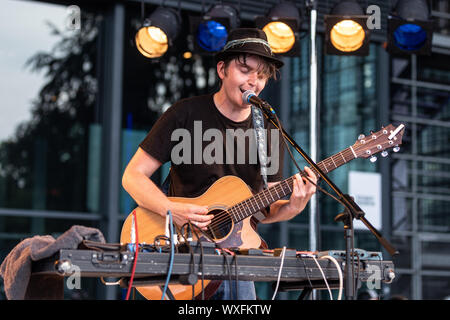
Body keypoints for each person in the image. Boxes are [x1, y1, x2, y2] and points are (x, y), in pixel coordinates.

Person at [122, 28, 317, 300]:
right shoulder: (185, 114)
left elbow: (265, 210)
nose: (254, 82)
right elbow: (132, 176)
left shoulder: (269, 129)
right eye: (245, 70)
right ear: (222, 69)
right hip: (178, 251)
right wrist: (170, 209)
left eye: (261, 76)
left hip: (235, 262)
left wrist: (294, 206)